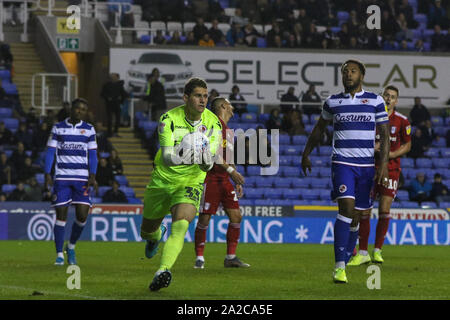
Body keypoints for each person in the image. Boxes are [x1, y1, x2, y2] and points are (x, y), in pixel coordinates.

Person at [301, 59, 390, 284]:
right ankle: (339, 267)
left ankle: (348, 255)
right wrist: (306, 153)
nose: (348, 75)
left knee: (358, 216)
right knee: (347, 208)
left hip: (367, 167)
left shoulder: (376, 101)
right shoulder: (333, 102)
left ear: (362, 75)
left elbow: (385, 135)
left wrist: (385, 165)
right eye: (345, 72)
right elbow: (319, 128)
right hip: (342, 163)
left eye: (353, 71)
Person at [140, 77, 221, 291]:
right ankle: (154, 237)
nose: (203, 100)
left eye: (205, 96)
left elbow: (208, 165)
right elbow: (166, 157)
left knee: (182, 225)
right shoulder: (168, 120)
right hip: (163, 180)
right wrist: (186, 152)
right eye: (197, 96)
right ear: (186, 98)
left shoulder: (213, 124)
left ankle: (163, 270)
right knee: (147, 231)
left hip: (191, 181)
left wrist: (202, 159)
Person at [348, 85, 411, 266]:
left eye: (392, 96)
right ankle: (362, 252)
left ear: (396, 101)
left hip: (391, 169)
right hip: (370, 168)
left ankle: (377, 250)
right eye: (386, 95)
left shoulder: (402, 121)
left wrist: (389, 154)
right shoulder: (371, 117)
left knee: (384, 208)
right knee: (364, 210)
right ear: (382, 97)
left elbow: (407, 145)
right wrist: (372, 148)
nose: (389, 99)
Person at [193, 97, 248, 269]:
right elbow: (211, 154)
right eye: (230, 105)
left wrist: (235, 178)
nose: (232, 108)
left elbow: (228, 157)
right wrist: (232, 172)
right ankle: (200, 258)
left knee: (236, 216)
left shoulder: (229, 132)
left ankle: (230, 257)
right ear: (223, 106)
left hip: (224, 180)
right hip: (210, 178)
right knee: (204, 218)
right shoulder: (212, 126)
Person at [44, 98, 98, 266]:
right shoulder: (58, 127)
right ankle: (59, 254)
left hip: (81, 178)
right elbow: (51, 152)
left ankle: (71, 246)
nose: (79, 111)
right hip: (62, 178)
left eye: (83, 109)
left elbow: (93, 155)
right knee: (61, 216)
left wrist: (93, 174)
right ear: (71, 109)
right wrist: (47, 172)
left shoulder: (89, 129)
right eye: (77, 108)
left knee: (82, 216)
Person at [101, 73, 128, 137]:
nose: (112, 78)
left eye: (114, 77)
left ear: (117, 78)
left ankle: (116, 131)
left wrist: (121, 101)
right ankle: (109, 132)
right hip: (109, 104)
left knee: (117, 119)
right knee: (109, 119)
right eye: (111, 77)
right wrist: (107, 98)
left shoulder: (120, 85)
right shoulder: (106, 85)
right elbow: (102, 94)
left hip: (117, 104)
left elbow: (124, 94)